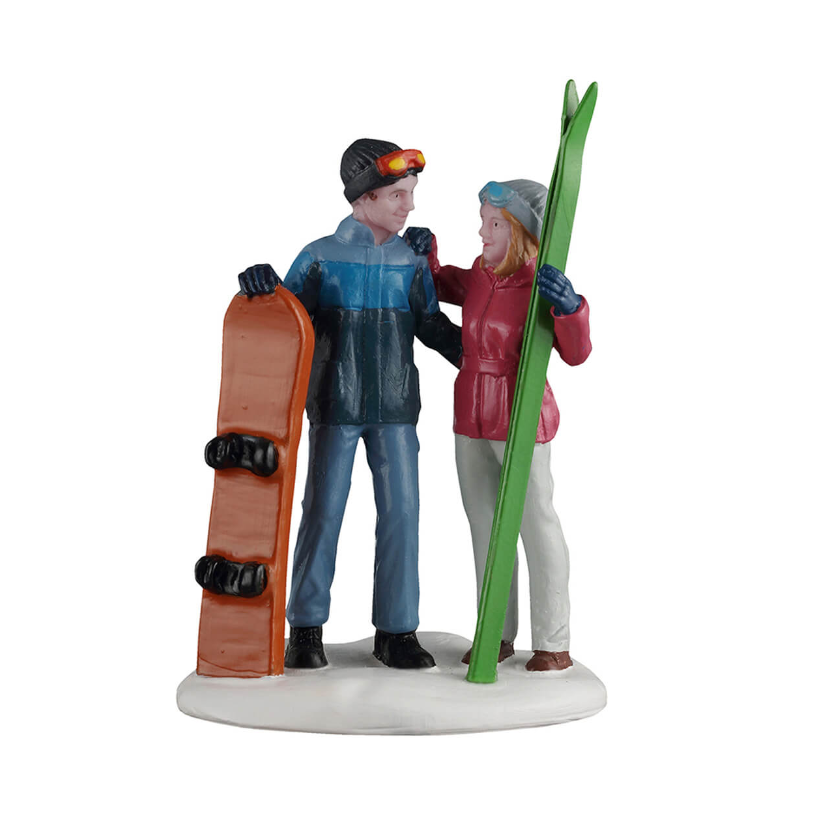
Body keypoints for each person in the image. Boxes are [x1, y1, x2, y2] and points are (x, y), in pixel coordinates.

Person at [239, 139, 461, 670]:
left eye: (410, 194)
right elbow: (289, 323)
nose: (409, 206)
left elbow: (431, 324)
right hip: (334, 405)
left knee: (403, 513)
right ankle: (305, 627)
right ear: (364, 198)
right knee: (322, 511)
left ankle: (397, 630)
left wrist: (486, 360)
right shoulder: (319, 256)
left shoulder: (409, 259)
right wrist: (263, 294)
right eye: (397, 195)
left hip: (396, 407)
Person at [404, 179, 591, 671]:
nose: (482, 233)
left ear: (520, 232)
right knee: (484, 525)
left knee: (536, 524)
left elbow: (576, 353)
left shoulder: (539, 286)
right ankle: (496, 632)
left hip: (519, 414)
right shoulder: (481, 276)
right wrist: (427, 256)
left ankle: (553, 640)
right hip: (471, 413)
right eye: (483, 222)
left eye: (493, 224)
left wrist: (571, 308)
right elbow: (441, 283)